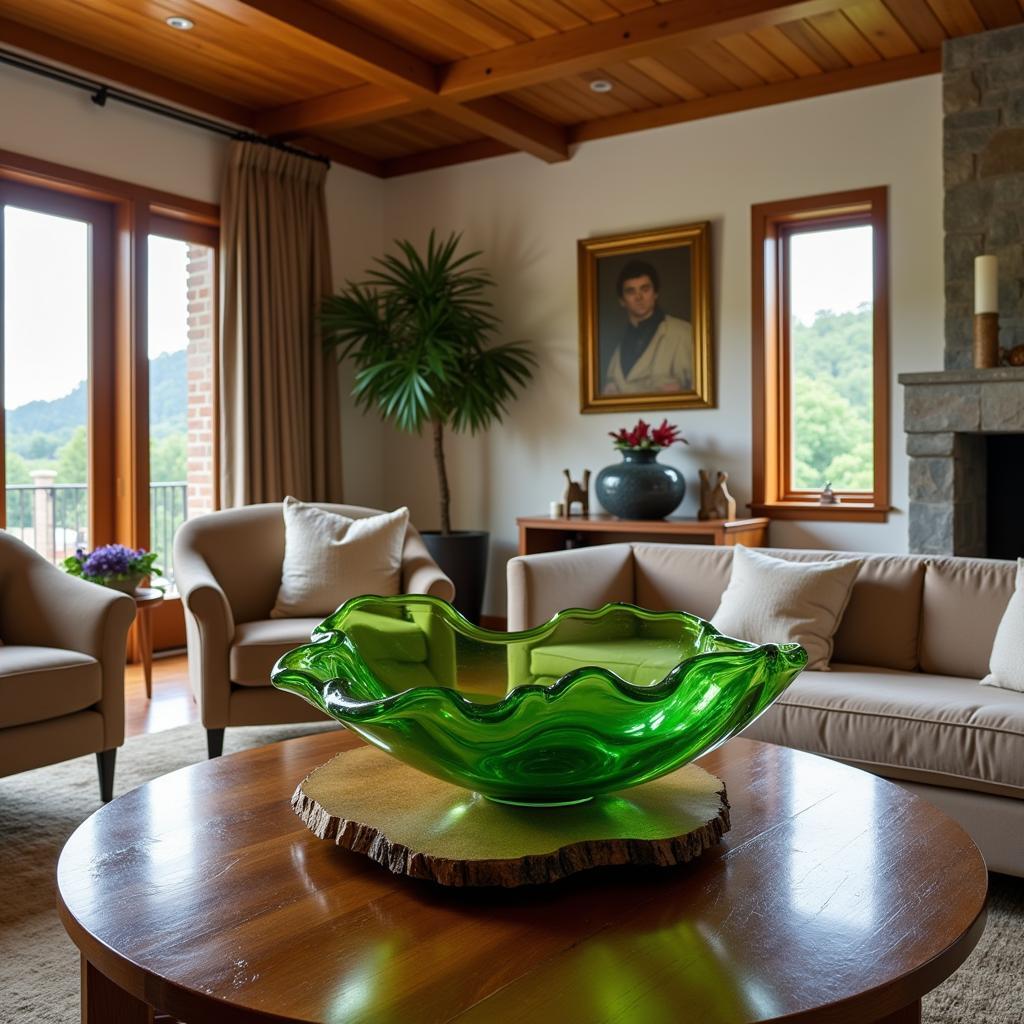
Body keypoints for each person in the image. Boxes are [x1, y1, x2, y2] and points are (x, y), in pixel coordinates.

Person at [602, 260, 693, 395]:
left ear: (655, 294)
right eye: (631, 291)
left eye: (645, 289)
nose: (639, 297)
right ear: (622, 301)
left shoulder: (683, 333)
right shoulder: (614, 344)